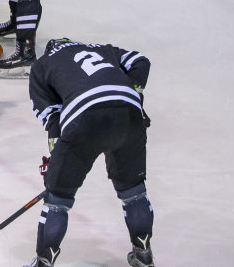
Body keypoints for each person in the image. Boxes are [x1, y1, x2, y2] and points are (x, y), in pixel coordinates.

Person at [26, 38, 153, 267]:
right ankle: (143, 254)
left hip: (84, 120)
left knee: (57, 201)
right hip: (130, 115)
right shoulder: (102, 49)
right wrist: (133, 95)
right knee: (134, 192)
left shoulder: (42, 65)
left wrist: (56, 165)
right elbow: (141, 62)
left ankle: (44, 262)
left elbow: (53, 121)